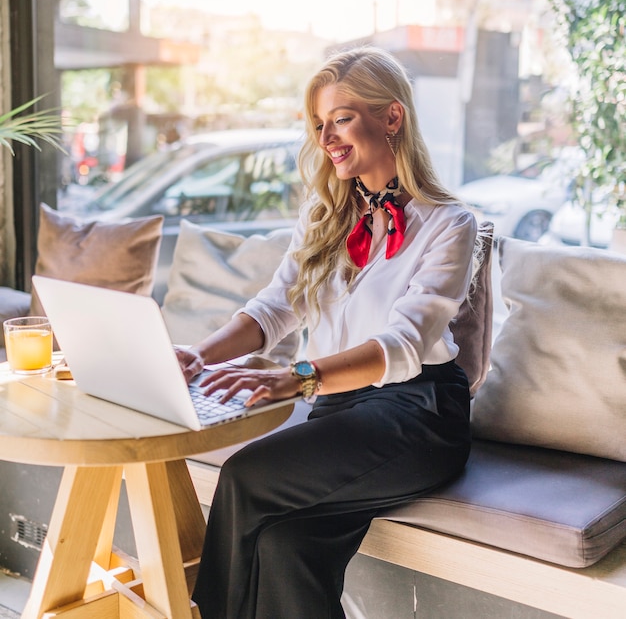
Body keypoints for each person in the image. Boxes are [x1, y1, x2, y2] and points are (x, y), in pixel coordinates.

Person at [176, 45, 478, 619]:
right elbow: (275, 308)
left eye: (341, 118)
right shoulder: (323, 217)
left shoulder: (449, 223)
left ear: (392, 117)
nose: (327, 138)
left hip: (417, 416)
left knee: (244, 475)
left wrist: (299, 376)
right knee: (284, 546)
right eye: (319, 124)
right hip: (339, 413)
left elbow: (404, 346)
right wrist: (197, 353)